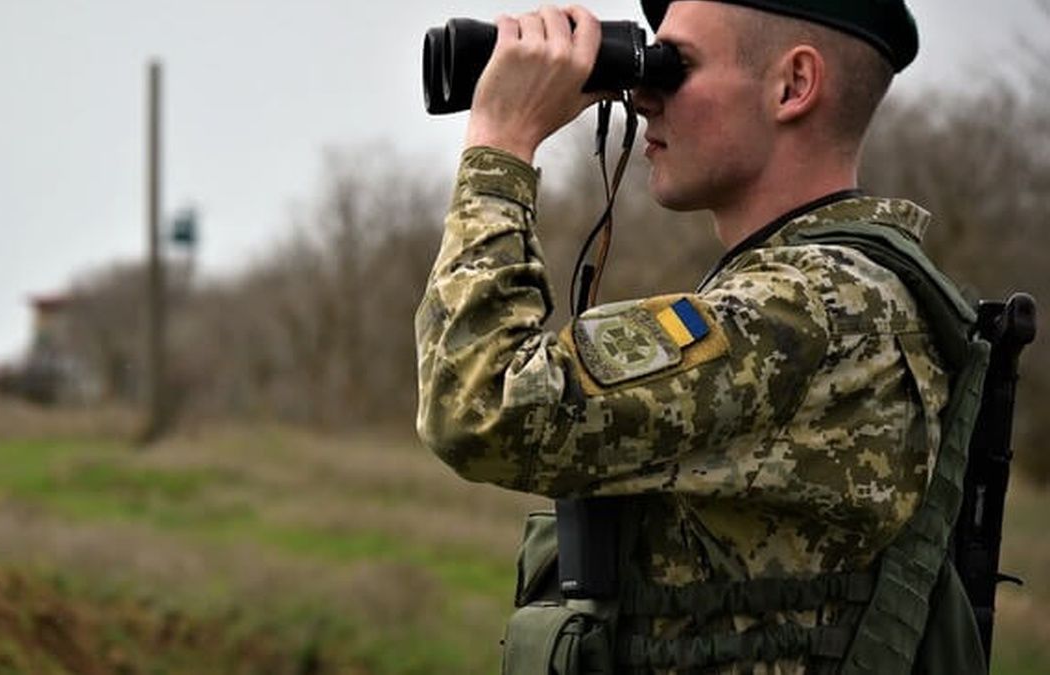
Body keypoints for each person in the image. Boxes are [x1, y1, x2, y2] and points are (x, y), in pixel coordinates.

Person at [415, 1, 984, 673]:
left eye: (676, 65)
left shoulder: (810, 307)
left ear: (793, 86)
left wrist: (501, 141)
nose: (645, 94)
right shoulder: (824, 294)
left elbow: (481, 405)